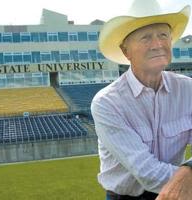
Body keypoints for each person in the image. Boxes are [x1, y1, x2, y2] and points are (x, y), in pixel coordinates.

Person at [91, 1, 192, 200]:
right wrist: (185, 178)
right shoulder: (107, 102)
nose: (157, 44)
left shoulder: (188, 89)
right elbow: (147, 172)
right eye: (146, 37)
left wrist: (189, 169)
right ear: (125, 51)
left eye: (163, 35)